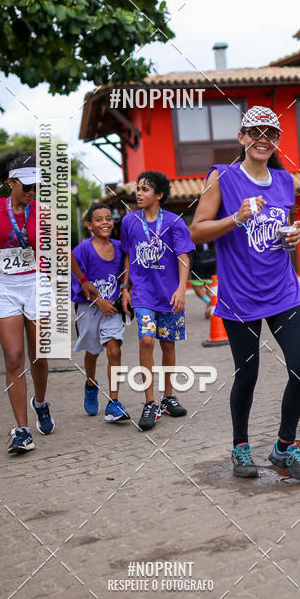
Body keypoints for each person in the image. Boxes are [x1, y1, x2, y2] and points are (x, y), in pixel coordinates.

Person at [190, 105, 300, 482]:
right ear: (243, 137)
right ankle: (240, 447)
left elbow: (282, 229)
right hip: (240, 296)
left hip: (283, 291)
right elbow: (196, 231)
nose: (264, 138)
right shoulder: (223, 177)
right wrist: (236, 218)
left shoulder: (283, 180)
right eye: (256, 131)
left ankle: (284, 447)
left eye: (271, 133)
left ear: (277, 142)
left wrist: (293, 235)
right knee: (248, 374)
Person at [0, 150, 93, 453]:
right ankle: (22, 430)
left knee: (39, 357)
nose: (33, 192)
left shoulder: (44, 212)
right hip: (5, 288)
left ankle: (40, 402)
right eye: (27, 187)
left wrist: (83, 280)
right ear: (11, 182)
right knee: (13, 360)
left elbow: (62, 247)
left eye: (37, 187)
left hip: (36, 287)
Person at [120, 171, 194, 430]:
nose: (139, 193)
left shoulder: (175, 223)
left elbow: (184, 257)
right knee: (146, 339)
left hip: (169, 294)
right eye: (137, 189)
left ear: (159, 195)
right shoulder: (129, 221)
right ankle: (150, 401)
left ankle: (168, 397)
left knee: (169, 346)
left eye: (145, 189)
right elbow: (128, 256)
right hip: (143, 294)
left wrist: (182, 290)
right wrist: (125, 288)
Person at [71, 202, 130, 422]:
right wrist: (98, 301)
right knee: (92, 352)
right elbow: (77, 279)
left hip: (112, 309)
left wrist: (125, 290)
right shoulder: (83, 249)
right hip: (88, 309)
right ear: (89, 225)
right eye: (99, 219)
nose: (105, 222)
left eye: (108, 218)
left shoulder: (119, 246)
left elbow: (128, 263)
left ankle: (114, 402)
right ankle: (90, 383)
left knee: (114, 349)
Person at [189, 241, 217, 318]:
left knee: (197, 287)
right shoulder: (210, 230)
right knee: (209, 286)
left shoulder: (194, 230)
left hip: (199, 262)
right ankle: (211, 306)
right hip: (212, 260)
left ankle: (211, 303)